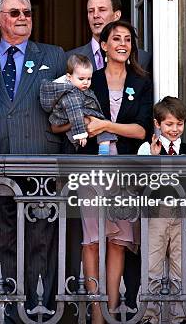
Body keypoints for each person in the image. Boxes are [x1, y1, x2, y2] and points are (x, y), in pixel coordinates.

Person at [54, 20, 152, 323]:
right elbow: (56, 122)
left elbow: (142, 131)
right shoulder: (88, 79)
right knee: (93, 239)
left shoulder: (142, 80)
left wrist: (106, 125)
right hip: (90, 170)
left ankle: (110, 311)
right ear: (104, 46)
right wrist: (81, 122)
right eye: (116, 39)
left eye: (127, 39)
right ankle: (96, 313)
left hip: (124, 172)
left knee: (118, 241)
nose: (122, 44)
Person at [0, 0, 66, 321]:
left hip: (41, 159)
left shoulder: (54, 56)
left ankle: (39, 310)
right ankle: (3, 308)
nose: (22, 18)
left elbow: (71, 103)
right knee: (0, 237)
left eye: (27, 13)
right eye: (15, 12)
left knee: (40, 240)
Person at [137, 96, 186, 323]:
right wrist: (154, 160)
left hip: (183, 215)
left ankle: (177, 316)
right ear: (157, 124)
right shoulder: (147, 148)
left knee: (180, 268)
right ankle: (149, 316)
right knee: (152, 267)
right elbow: (140, 185)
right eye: (169, 124)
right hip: (156, 214)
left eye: (179, 124)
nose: (175, 129)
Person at [40, 54, 116, 153]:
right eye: (81, 79)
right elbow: (74, 112)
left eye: (89, 79)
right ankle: (103, 154)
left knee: (104, 129)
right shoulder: (71, 93)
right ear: (69, 77)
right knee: (75, 145)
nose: (86, 82)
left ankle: (104, 153)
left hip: (78, 118)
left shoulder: (79, 88)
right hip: (69, 121)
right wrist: (80, 133)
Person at [67, 0, 152, 75]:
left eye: (102, 10)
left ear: (116, 15)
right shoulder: (69, 58)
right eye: (91, 11)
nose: (95, 15)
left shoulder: (142, 59)